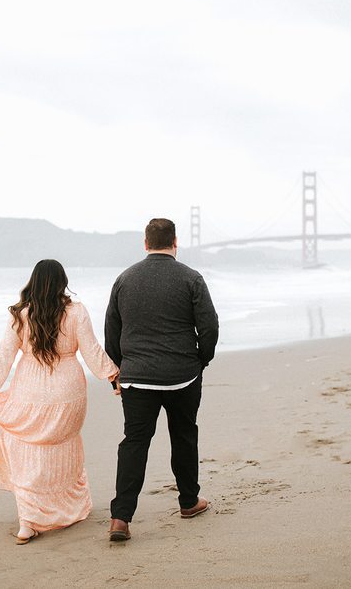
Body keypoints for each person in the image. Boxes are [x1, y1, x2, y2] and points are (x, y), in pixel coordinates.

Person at [0, 259, 120, 545]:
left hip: (30, 392)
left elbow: (4, 356)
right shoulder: (76, 311)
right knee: (63, 446)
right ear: (63, 282)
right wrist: (113, 375)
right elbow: (92, 351)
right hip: (68, 394)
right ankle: (68, 509)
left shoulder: (21, 314)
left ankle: (28, 522)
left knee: (28, 453)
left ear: (33, 281)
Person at [104, 218, 219, 542]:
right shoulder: (191, 278)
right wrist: (201, 360)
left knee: (134, 442)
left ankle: (120, 518)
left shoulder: (124, 279)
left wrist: (121, 369)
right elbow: (209, 327)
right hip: (182, 375)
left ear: (145, 243)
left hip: (136, 377)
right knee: (183, 435)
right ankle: (189, 502)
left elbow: (111, 330)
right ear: (175, 242)